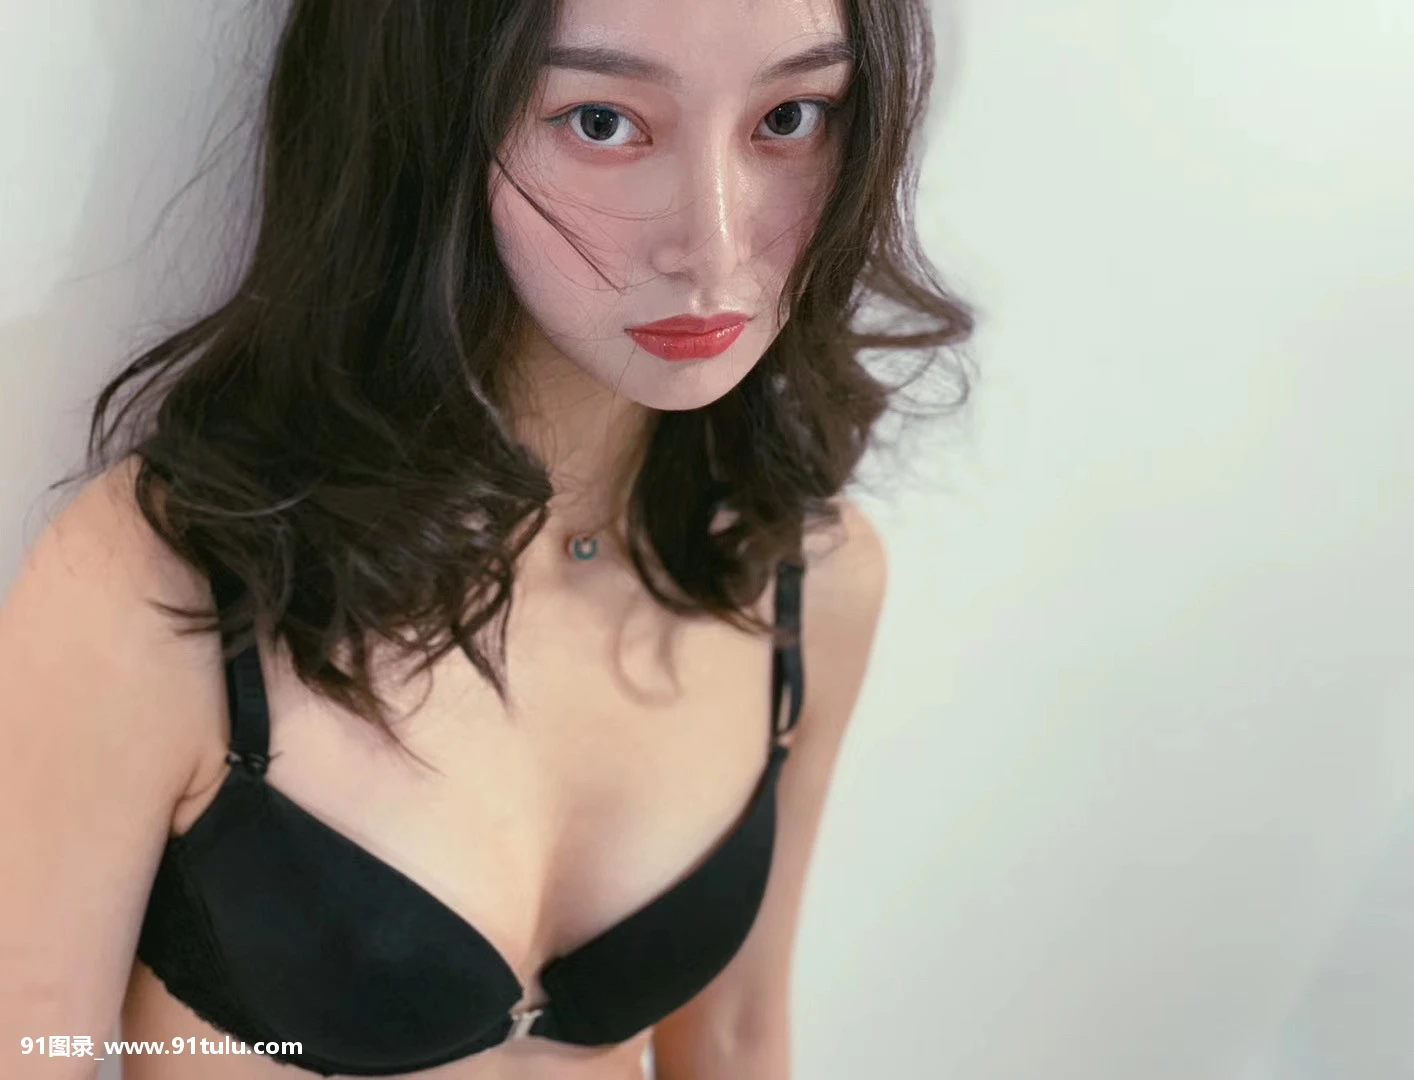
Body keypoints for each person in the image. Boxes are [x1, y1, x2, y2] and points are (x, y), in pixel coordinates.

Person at [0, 0, 973, 1076]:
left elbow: (737, 1038)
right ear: (427, 115)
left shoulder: (805, 578)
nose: (716, 246)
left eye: (789, 116)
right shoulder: (167, 582)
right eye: (602, 121)